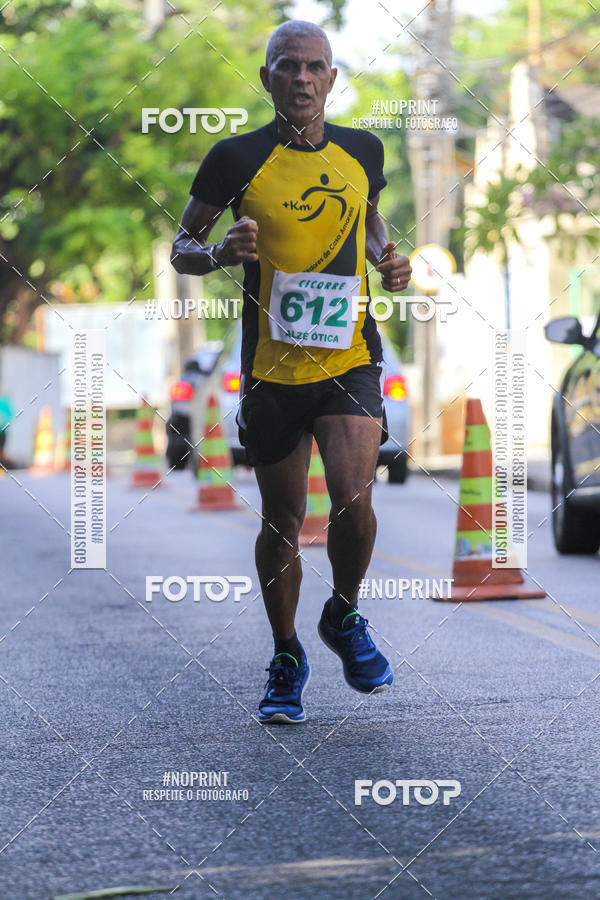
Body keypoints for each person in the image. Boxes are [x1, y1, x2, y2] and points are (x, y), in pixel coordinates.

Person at [171, 20, 412, 723]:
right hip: (272, 366)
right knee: (283, 519)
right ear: (267, 77)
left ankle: (342, 615)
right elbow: (183, 244)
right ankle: (286, 656)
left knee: (354, 499)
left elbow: (369, 229)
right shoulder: (234, 157)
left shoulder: (364, 149)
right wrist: (218, 251)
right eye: (287, 67)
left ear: (333, 78)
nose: (302, 79)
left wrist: (387, 261)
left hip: (350, 358)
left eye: (315, 67)